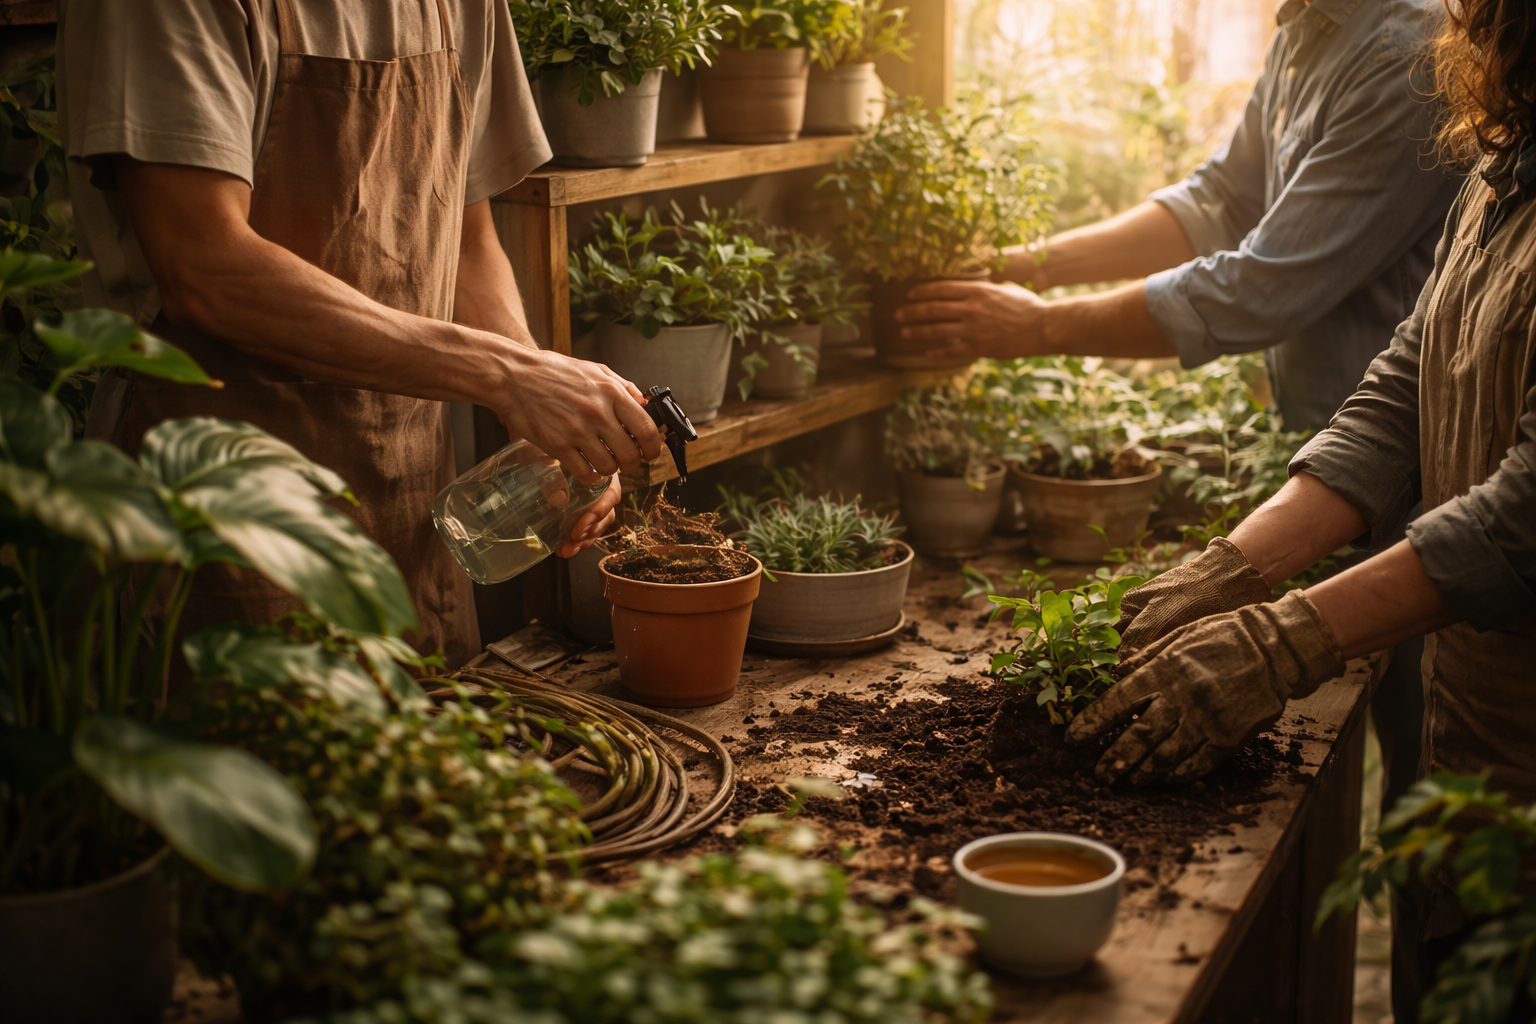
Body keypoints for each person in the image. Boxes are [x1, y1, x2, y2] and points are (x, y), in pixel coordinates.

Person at [1065, 0, 1536, 1016]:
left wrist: (1280, 644)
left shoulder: (1415, 69)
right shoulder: (1503, 166)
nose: (1460, 17)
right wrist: (1232, 567)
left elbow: (1520, 521)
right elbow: (1402, 391)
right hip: (1477, 726)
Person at [897, 0, 1461, 817]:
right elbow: (1221, 200)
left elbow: (1262, 285)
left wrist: (1037, 328)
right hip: (1323, 478)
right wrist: (1030, 267)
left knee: (1433, 790)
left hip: (1422, 490)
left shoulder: (1406, 56)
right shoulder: (1307, 30)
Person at [57, 0, 661, 668]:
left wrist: (549, 432)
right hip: (223, 514)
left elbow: (465, 240)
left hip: (413, 514)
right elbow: (203, 264)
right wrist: (509, 375)